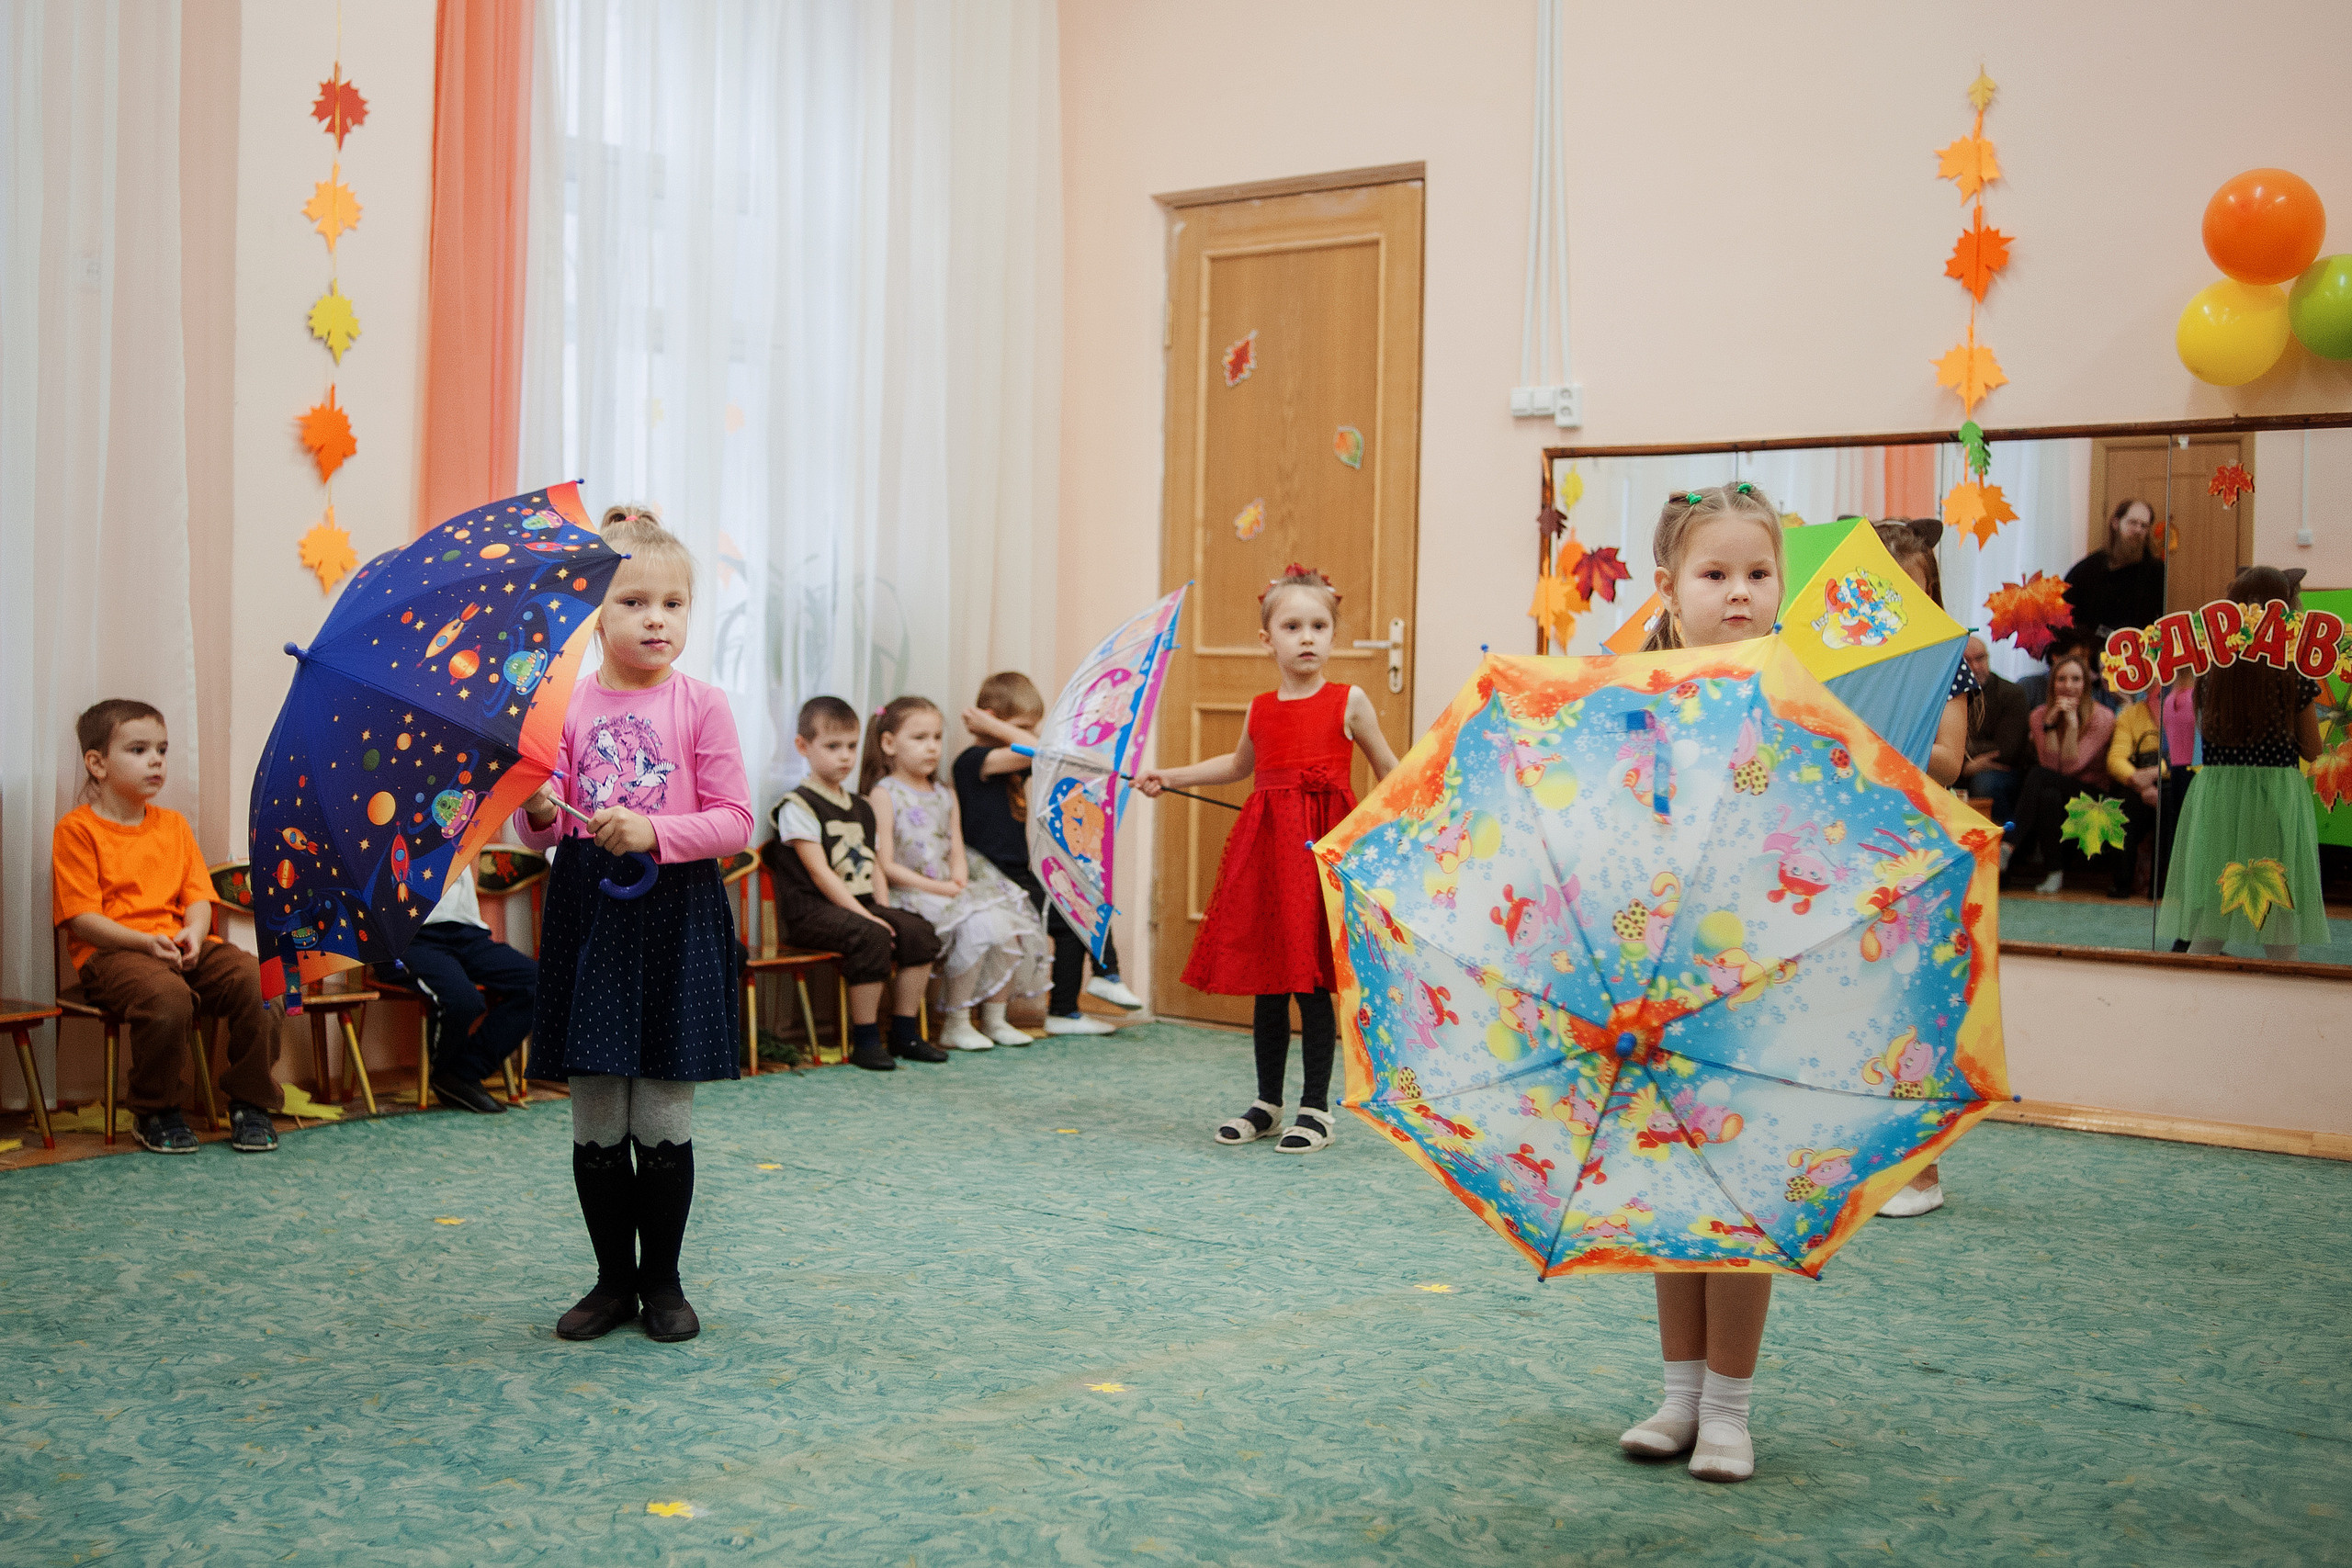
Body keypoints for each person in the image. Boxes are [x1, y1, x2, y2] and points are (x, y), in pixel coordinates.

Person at [517, 513, 754, 1345]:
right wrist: (541, 809)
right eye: (634, 601)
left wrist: (658, 831)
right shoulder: (565, 708)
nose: (658, 618)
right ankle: (612, 1279)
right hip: (592, 915)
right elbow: (543, 832)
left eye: (675, 603)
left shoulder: (704, 704)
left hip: (675, 913)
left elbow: (736, 821)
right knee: (596, 1116)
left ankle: (664, 1281)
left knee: (661, 1113)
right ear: (596, 615)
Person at [1615, 482, 1789, 1482]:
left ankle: (1729, 1407)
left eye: (1757, 574)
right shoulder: (1637, 700)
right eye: (1714, 574)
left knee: (1739, 1196)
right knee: (1670, 1193)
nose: (1738, 593)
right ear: (1667, 588)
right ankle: (1679, 1396)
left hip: (1755, 979)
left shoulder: (1788, 696)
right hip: (1656, 979)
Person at [1135, 564, 1399, 1156]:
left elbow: (1389, 767)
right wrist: (1167, 775)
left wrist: (1400, 823)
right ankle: (1267, 1103)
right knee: (1269, 981)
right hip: (1268, 855)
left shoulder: (1347, 700)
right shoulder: (1260, 709)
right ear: (1267, 639)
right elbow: (1236, 768)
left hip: (1321, 852)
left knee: (1312, 983)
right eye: (1292, 626)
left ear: (1332, 634)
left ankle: (1316, 1108)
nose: (1307, 637)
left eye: (1319, 626)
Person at [52, 699, 283, 1155]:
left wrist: (193, 934)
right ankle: (156, 1111)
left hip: (178, 945)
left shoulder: (174, 826)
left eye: (161, 749)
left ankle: (250, 1105)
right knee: (167, 997)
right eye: (138, 750)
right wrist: (145, 942)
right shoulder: (77, 830)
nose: (156, 760)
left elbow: (198, 899)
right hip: (115, 955)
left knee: (262, 982)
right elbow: (83, 919)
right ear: (96, 764)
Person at [1866, 521, 1972, 1220]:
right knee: (1859, 1003)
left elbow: (1951, 762)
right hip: (1855, 835)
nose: (1907, 597)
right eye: (1890, 586)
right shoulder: (1842, 660)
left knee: (1913, 1003)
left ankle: (1922, 1171)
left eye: (1919, 584)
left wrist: (1882, 735)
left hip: (1921, 840)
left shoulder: (1947, 659)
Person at [956, 672, 1145, 1035]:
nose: (1032, 733)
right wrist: (994, 728)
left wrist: (1003, 727)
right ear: (990, 716)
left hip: (1018, 870)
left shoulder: (1011, 764)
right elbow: (1047, 752)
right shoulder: (975, 760)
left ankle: (1082, 995)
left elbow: (1048, 754)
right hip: (994, 875)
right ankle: (1085, 993)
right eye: (1023, 726)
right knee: (1074, 916)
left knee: (1079, 909)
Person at [2156, 566, 2328, 959]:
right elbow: (2314, 750)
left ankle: (2191, 986)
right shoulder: (2292, 673)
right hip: (2273, 797)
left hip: (2219, 795)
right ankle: (2283, 987)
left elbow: (2211, 734)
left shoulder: (2211, 674)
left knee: (2216, 905)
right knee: (2278, 905)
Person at [767, 695, 945, 1071]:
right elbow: (820, 873)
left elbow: (875, 864)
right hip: (812, 911)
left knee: (917, 931)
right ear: (803, 747)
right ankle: (865, 1041)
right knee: (872, 935)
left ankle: (904, 1032)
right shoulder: (797, 805)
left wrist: (883, 909)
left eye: (851, 746)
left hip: (860, 903)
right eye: (832, 747)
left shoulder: (862, 806)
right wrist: (871, 919)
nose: (845, 757)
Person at [864, 695, 1049, 1052]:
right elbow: (886, 863)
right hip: (913, 892)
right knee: (979, 926)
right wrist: (939, 887)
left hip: (948, 888)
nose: (932, 747)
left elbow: (956, 846)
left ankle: (994, 1018)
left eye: (937, 738)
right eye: (919, 738)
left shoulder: (945, 793)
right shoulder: (884, 794)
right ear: (889, 744)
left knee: (1006, 922)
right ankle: (956, 1022)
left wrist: (959, 879)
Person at [378, 860, 538, 1114]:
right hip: (410, 936)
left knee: (538, 983)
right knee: (462, 999)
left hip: (468, 932)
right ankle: (445, 1074)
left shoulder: (457, 821)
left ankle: (464, 1073)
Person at [2004, 648, 2116, 895]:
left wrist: (2073, 725)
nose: (2068, 685)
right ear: (2052, 683)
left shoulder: (2103, 717)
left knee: (2039, 778)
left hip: (2092, 796)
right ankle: (2055, 872)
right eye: (2061, 679)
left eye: (2076, 679)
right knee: (2047, 793)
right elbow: (2052, 768)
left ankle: (2009, 846)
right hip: (2056, 790)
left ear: (2086, 685)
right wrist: (2051, 725)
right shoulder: (2039, 715)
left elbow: (2072, 767)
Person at [2104, 671, 2195, 901]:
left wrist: (2159, 771)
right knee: (2124, 807)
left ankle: (2161, 885)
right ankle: (2122, 883)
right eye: (2156, 695)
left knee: (2171, 805)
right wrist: (2139, 783)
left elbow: (2193, 756)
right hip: (2138, 787)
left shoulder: (2190, 713)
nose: (2161, 700)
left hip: (2176, 781)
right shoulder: (2131, 715)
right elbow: (2115, 759)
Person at [1957, 635, 2032, 837]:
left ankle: (2005, 843)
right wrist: (1965, 766)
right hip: (1959, 767)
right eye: (1966, 661)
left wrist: (1959, 752)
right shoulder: (1950, 694)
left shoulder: (2011, 693)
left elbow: (2006, 749)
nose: (1975, 666)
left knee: (1985, 782)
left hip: (2004, 771)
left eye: (1980, 659)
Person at [2064, 497, 2165, 643]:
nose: (2138, 530)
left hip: (2138, 655)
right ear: (2116, 523)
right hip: (2092, 652)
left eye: (2144, 526)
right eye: (2132, 523)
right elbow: (2065, 617)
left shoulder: (2155, 572)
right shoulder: (2087, 570)